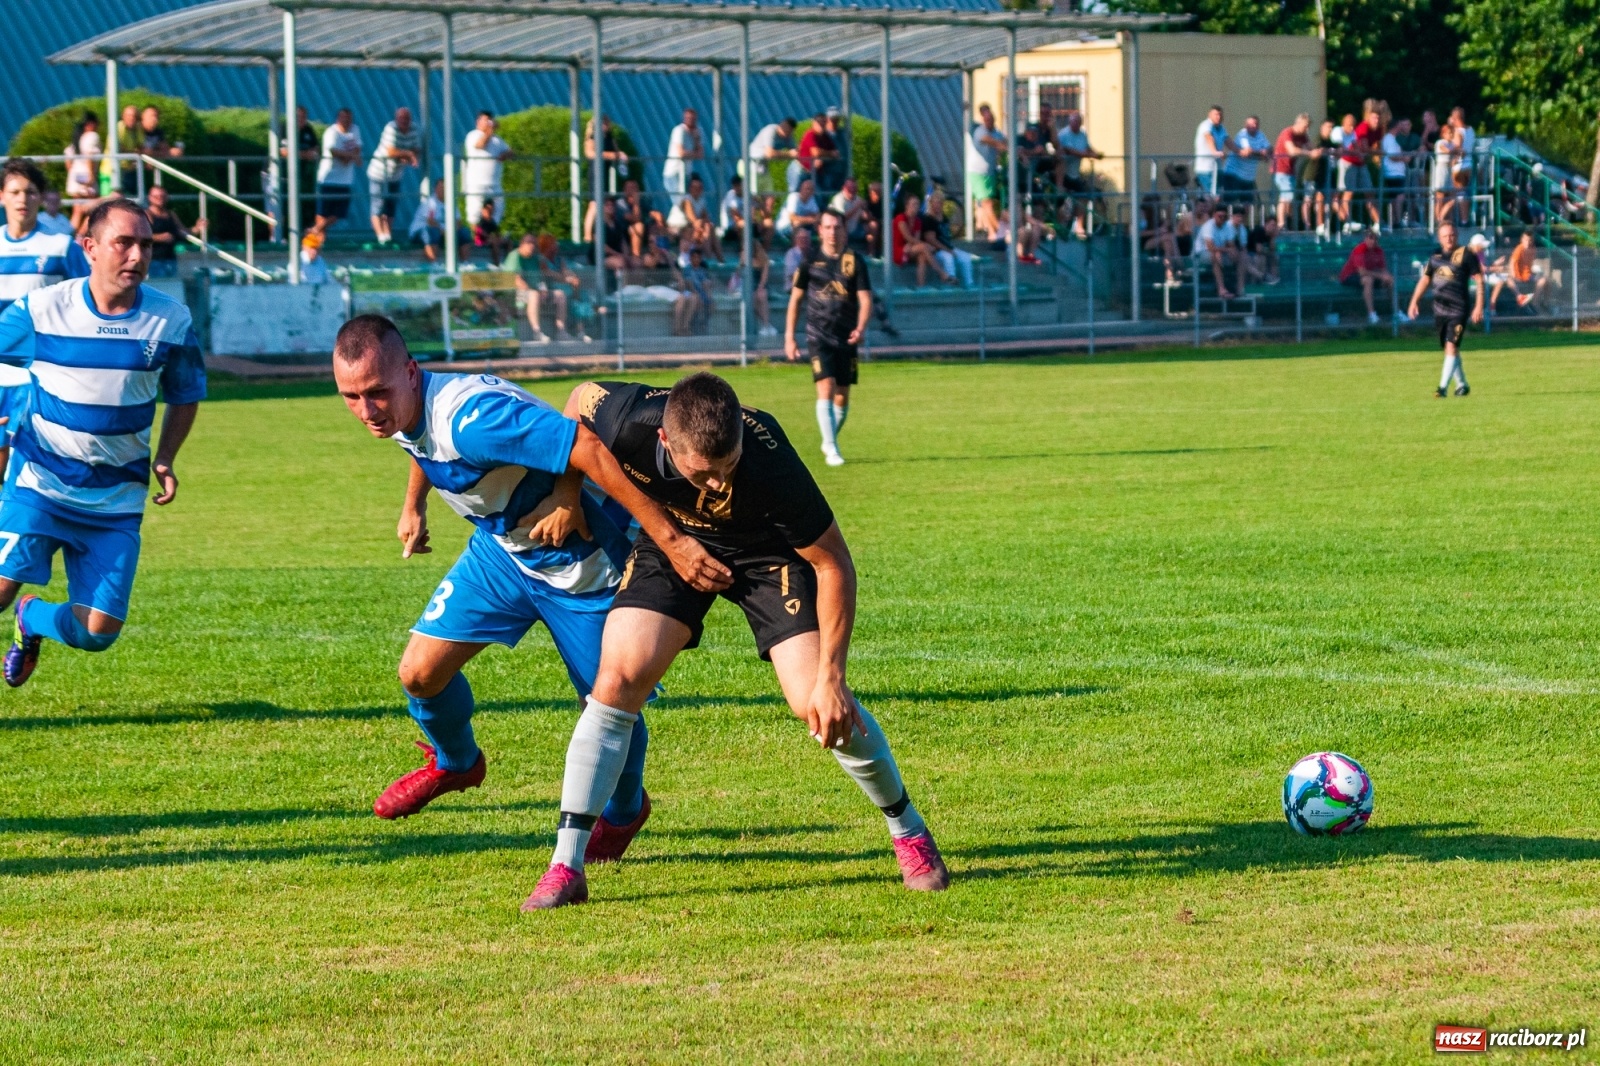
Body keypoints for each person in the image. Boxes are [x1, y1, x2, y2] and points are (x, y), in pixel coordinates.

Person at [521, 372, 949, 910]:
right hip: (671, 542)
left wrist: (832, 678)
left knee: (813, 703)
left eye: (729, 467)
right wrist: (568, 494)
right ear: (664, 443)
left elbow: (834, 562)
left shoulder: (769, 458)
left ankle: (909, 831)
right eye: (704, 473)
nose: (720, 485)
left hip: (768, 559)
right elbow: (580, 402)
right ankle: (566, 865)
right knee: (617, 679)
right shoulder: (628, 416)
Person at [328, 315, 726, 837]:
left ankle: (625, 812)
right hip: (502, 556)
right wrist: (413, 506)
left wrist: (673, 544)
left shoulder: (475, 420)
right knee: (419, 674)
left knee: (607, 707)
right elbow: (418, 440)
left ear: (411, 371)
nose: (366, 411)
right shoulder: (406, 406)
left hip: (582, 566)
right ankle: (456, 762)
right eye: (351, 396)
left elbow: (587, 445)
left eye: (376, 393)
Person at [0, 198, 205, 688]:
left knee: (97, 633)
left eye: (146, 245)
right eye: (124, 243)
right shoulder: (43, 309)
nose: (137, 255)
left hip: (116, 498)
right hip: (39, 483)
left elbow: (186, 393)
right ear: (90, 248)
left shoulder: (170, 320)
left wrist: (167, 457)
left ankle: (34, 619)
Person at [0, 160, 92, 485]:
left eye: (30, 192)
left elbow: (89, 302)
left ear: (40, 198)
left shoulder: (60, 247)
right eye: (15, 192)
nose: (22, 198)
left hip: (42, 379)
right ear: (2, 196)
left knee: (37, 473)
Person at [786, 208, 872, 467]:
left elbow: (865, 299)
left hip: (846, 338)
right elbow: (796, 299)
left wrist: (861, 327)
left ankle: (828, 439)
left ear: (844, 230)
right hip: (818, 335)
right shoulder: (809, 260)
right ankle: (832, 448)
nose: (833, 232)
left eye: (837, 227)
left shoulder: (855, 260)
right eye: (828, 227)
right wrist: (790, 337)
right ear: (820, 230)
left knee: (842, 395)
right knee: (826, 385)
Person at [1407, 222, 1483, 398]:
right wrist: (1414, 301)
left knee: (1451, 345)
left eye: (1452, 235)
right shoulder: (1435, 257)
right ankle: (1462, 385)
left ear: (1456, 235)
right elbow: (1425, 280)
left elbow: (1479, 279)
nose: (1450, 239)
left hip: (1459, 309)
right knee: (1450, 349)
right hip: (1440, 310)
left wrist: (1479, 305)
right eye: (1446, 236)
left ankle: (1442, 388)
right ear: (1439, 238)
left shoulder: (1467, 254)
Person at [367, 107, 421, 246]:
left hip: (395, 174)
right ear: (396, 119)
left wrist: (407, 156)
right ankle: (380, 236)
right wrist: (408, 155)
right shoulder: (390, 128)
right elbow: (391, 151)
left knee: (390, 205)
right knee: (377, 204)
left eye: (407, 118)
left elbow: (417, 149)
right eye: (401, 118)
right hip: (379, 172)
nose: (404, 121)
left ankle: (387, 235)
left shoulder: (414, 129)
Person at [503, 232, 567, 343]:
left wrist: (543, 290)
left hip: (535, 292)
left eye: (533, 243)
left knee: (560, 295)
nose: (532, 246)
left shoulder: (537, 258)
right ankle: (537, 332)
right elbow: (516, 280)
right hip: (514, 295)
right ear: (521, 244)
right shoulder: (515, 256)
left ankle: (561, 331)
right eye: (528, 243)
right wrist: (533, 291)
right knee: (533, 295)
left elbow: (542, 276)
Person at [1056, 110, 1103, 236]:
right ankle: (1059, 227)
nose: (1075, 124)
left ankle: (1079, 226)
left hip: (1075, 174)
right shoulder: (1063, 134)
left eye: (1077, 122)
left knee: (1083, 197)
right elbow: (1067, 150)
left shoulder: (1082, 135)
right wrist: (1085, 154)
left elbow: (1087, 148)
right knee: (1060, 201)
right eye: (1073, 122)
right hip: (1063, 175)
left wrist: (1096, 154)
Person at [316, 108, 362, 234]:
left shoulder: (355, 130)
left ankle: (315, 230)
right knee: (323, 212)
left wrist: (350, 156)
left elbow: (357, 147)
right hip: (329, 178)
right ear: (338, 119)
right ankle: (318, 237)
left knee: (339, 213)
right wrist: (350, 156)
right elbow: (333, 151)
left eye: (349, 118)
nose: (347, 121)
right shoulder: (331, 132)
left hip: (345, 180)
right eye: (344, 118)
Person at [464, 111, 512, 229]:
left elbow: (511, 152)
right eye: (486, 120)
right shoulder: (473, 135)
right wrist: (490, 130)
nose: (488, 123)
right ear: (478, 122)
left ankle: (489, 235)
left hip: (494, 183)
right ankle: (477, 238)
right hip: (476, 183)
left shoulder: (497, 140)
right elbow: (480, 144)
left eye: (489, 120)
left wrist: (505, 155)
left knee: (498, 209)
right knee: (474, 212)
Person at [892, 192, 952, 288]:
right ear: (907, 206)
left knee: (922, 256)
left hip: (910, 249)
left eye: (918, 204)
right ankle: (942, 274)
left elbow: (916, 238)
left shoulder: (918, 221)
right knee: (924, 247)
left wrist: (914, 245)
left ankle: (921, 285)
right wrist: (926, 245)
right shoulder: (900, 218)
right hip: (899, 250)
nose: (917, 206)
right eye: (914, 204)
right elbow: (908, 237)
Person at [966, 104, 1005, 240]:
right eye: (987, 119)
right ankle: (999, 233)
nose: (989, 122)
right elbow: (989, 141)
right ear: (983, 120)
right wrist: (1001, 145)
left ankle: (991, 234)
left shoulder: (997, 132)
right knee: (986, 202)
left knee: (986, 204)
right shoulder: (980, 132)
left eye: (991, 119)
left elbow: (1005, 142)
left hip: (990, 173)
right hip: (977, 172)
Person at [1338, 228, 1394, 324]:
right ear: (1365, 239)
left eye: (1375, 238)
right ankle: (1371, 314)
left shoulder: (1379, 251)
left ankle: (1395, 311)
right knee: (1368, 280)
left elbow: (1383, 269)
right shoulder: (1359, 250)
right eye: (1370, 238)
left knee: (1391, 281)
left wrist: (1387, 277)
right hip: (1350, 276)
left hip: (1369, 275)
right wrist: (1381, 276)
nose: (1373, 241)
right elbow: (1362, 272)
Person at [144, 184, 200, 278]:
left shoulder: (171, 214)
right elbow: (141, 236)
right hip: (154, 260)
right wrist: (159, 237)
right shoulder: (147, 215)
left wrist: (197, 228)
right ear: (150, 198)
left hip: (171, 259)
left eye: (162, 196)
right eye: (156, 196)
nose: (160, 199)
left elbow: (182, 232)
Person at [1490, 230, 1546, 312]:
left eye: (1530, 240)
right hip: (1518, 276)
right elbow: (1512, 263)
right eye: (1526, 240)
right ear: (1522, 240)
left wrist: (1532, 273)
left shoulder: (1533, 249)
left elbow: (1529, 265)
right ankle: (1520, 297)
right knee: (1509, 280)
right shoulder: (1519, 249)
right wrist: (1514, 275)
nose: (1528, 242)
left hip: (1528, 275)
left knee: (1545, 280)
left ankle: (1537, 303)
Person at [1196, 202, 1242, 300]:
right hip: (1201, 255)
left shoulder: (1228, 226)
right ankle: (1221, 289)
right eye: (1219, 216)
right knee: (1215, 255)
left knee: (1241, 257)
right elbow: (1210, 247)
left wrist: (1234, 253)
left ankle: (1239, 289)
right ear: (1214, 215)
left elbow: (1231, 245)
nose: (1222, 218)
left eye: (1224, 216)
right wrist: (1228, 250)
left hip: (1219, 252)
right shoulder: (1208, 226)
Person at [667, 175, 719, 260]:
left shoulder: (701, 200)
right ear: (690, 188)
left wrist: (705, 224)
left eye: (700, 188)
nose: (698, 190)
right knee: (704, 228)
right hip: (677, 227)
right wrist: (703, 226)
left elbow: (706, 218)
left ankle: (719, 259)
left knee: (709, 227)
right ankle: (709, 257)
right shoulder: (687, 200)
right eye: (695, 187)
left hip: (689, 226)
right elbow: (693, 219)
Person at [64, 113, 101, 232]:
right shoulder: (92, 136)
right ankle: (80, 237)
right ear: (91, 124)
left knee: (77, 211)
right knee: (94, 209)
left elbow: (68, 162)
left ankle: (69, 236)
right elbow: (90, 155)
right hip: (87, 176)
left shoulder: (77, 137)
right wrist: (91, 175)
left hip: (75, 176)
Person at [1273, 114, 1311, 229]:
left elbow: (1311, 147)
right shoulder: (1287, 133)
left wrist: (1321, 152)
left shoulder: (1303, 135)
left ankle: (1287, 223)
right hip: (1280, 170)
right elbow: (1292, 150)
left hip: (1291, 171)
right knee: (1286, 196)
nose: (1307, 130)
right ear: (1298, 124)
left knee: (1288, 197)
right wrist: (1309, 154)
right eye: (1305, 127)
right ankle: (1281, 224)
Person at [1221, 116, 1270, 204]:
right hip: (1233, 174)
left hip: (1248, 177)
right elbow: (1247, 153)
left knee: (1247, 205)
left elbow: (1270, 149)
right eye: (1251, 124)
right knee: (1230, 203)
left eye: (1256, 124)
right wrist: (1262, 154)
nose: (1253, 126)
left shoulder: (1260, 135)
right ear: (1245, 125)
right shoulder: (1242, 134)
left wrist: (1266, 152)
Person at [748, 117, 798, 196]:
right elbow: (769, 154)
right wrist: (789, 154)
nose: (787, 133)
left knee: (770, 197)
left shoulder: (788, 137)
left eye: (789, 131)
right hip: (752, 165)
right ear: (782, 125)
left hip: (763, 168)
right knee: (754, 199)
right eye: (786, 129)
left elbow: (796, 152)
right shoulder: (770, 131)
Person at [795, 111, 840, 195]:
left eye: (823, 123)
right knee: (795, 195)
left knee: (818, 196)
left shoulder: (825, 136)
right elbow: (816, 152)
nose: (821, 126)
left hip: (814, 172)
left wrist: (828, 154)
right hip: (801, 170)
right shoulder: (810, 134)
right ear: (814, 123)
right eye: (819, 123)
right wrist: (830, 154)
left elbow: (836, 153)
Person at [662, 107, 704, 196]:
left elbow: (701, 155)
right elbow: (681, 153)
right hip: (673, 172)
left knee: (685, 200)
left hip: (687, 172)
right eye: (688, 118)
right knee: (680, 201)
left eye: (693, 119)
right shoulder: (679, 130)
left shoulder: (698, 132)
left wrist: (696, 139)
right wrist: (694, 154)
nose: (691, 121)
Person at [1379, 118, 1413, 227]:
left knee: (1395, 197)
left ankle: (1394, 220)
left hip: (1396, 172)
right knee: (1399, 196)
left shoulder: (1392, 139)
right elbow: (1392, 156)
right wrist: (1404, 159)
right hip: (1394, 173)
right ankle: (1398, 220)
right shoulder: (1389, 139)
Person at [1193, 106, 1229, 196]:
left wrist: (1240, 152)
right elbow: (1209, 137)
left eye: (1220, 115)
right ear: (1209, 115)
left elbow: (1229, 141)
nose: (1218, 117)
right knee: (1211, 198)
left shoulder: (1221, 128)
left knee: (1220, 196)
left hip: (1218, 168)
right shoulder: (1205, 125)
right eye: (1216, 114)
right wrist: (1214, 152)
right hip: (1206, 168)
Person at [408, 182, 446, 263]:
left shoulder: (451, 203)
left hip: (441, 232)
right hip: (418, 233)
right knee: (431, 232)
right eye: (441, 187)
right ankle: (433, 263)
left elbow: (458, 221)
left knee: (463, 233)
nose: (443, 190)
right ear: (435, 189)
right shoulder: (431, 203)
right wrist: (443, 229)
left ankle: (465, 263)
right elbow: (430, 221)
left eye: (445, 188)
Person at [776, 176, 821, 241]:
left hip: (802, 226)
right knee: (797, 224)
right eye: (807, 189)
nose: (808, 191)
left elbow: (818, 216)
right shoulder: (793, 197)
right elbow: (792, 218)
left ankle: (820, 247)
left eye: (811, 189)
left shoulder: (811, 199)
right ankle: (795, 249)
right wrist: (809, 219)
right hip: (784, 227)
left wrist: (812, 219)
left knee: (818, 224)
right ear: (801, 189)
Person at [828, 177, 868, 241]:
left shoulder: (858, 199)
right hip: (839, 230)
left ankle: (871, 250)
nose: (852, 190)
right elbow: (842, 218)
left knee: (873, 226)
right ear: (843, 188)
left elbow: (865, 217)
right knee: (843, 226)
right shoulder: (839, 199)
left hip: (855, 229)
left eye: (854, 188)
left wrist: (866, 210)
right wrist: (857, 206)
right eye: (849, 188)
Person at [1244, 215, 1280, 285]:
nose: (1273, 227)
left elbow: (1272, 249)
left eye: (1275, 225)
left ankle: (1274, 279)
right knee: (1261, 258)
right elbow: (1259, 250)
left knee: (1275, 257)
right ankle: (1259, 282)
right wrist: (1269, 252)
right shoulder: (1259, 231)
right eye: (1272, 225)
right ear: (1266, 224)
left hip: (1258, 254)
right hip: (1249, 253)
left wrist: (1273, 237)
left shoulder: (1270, 235)